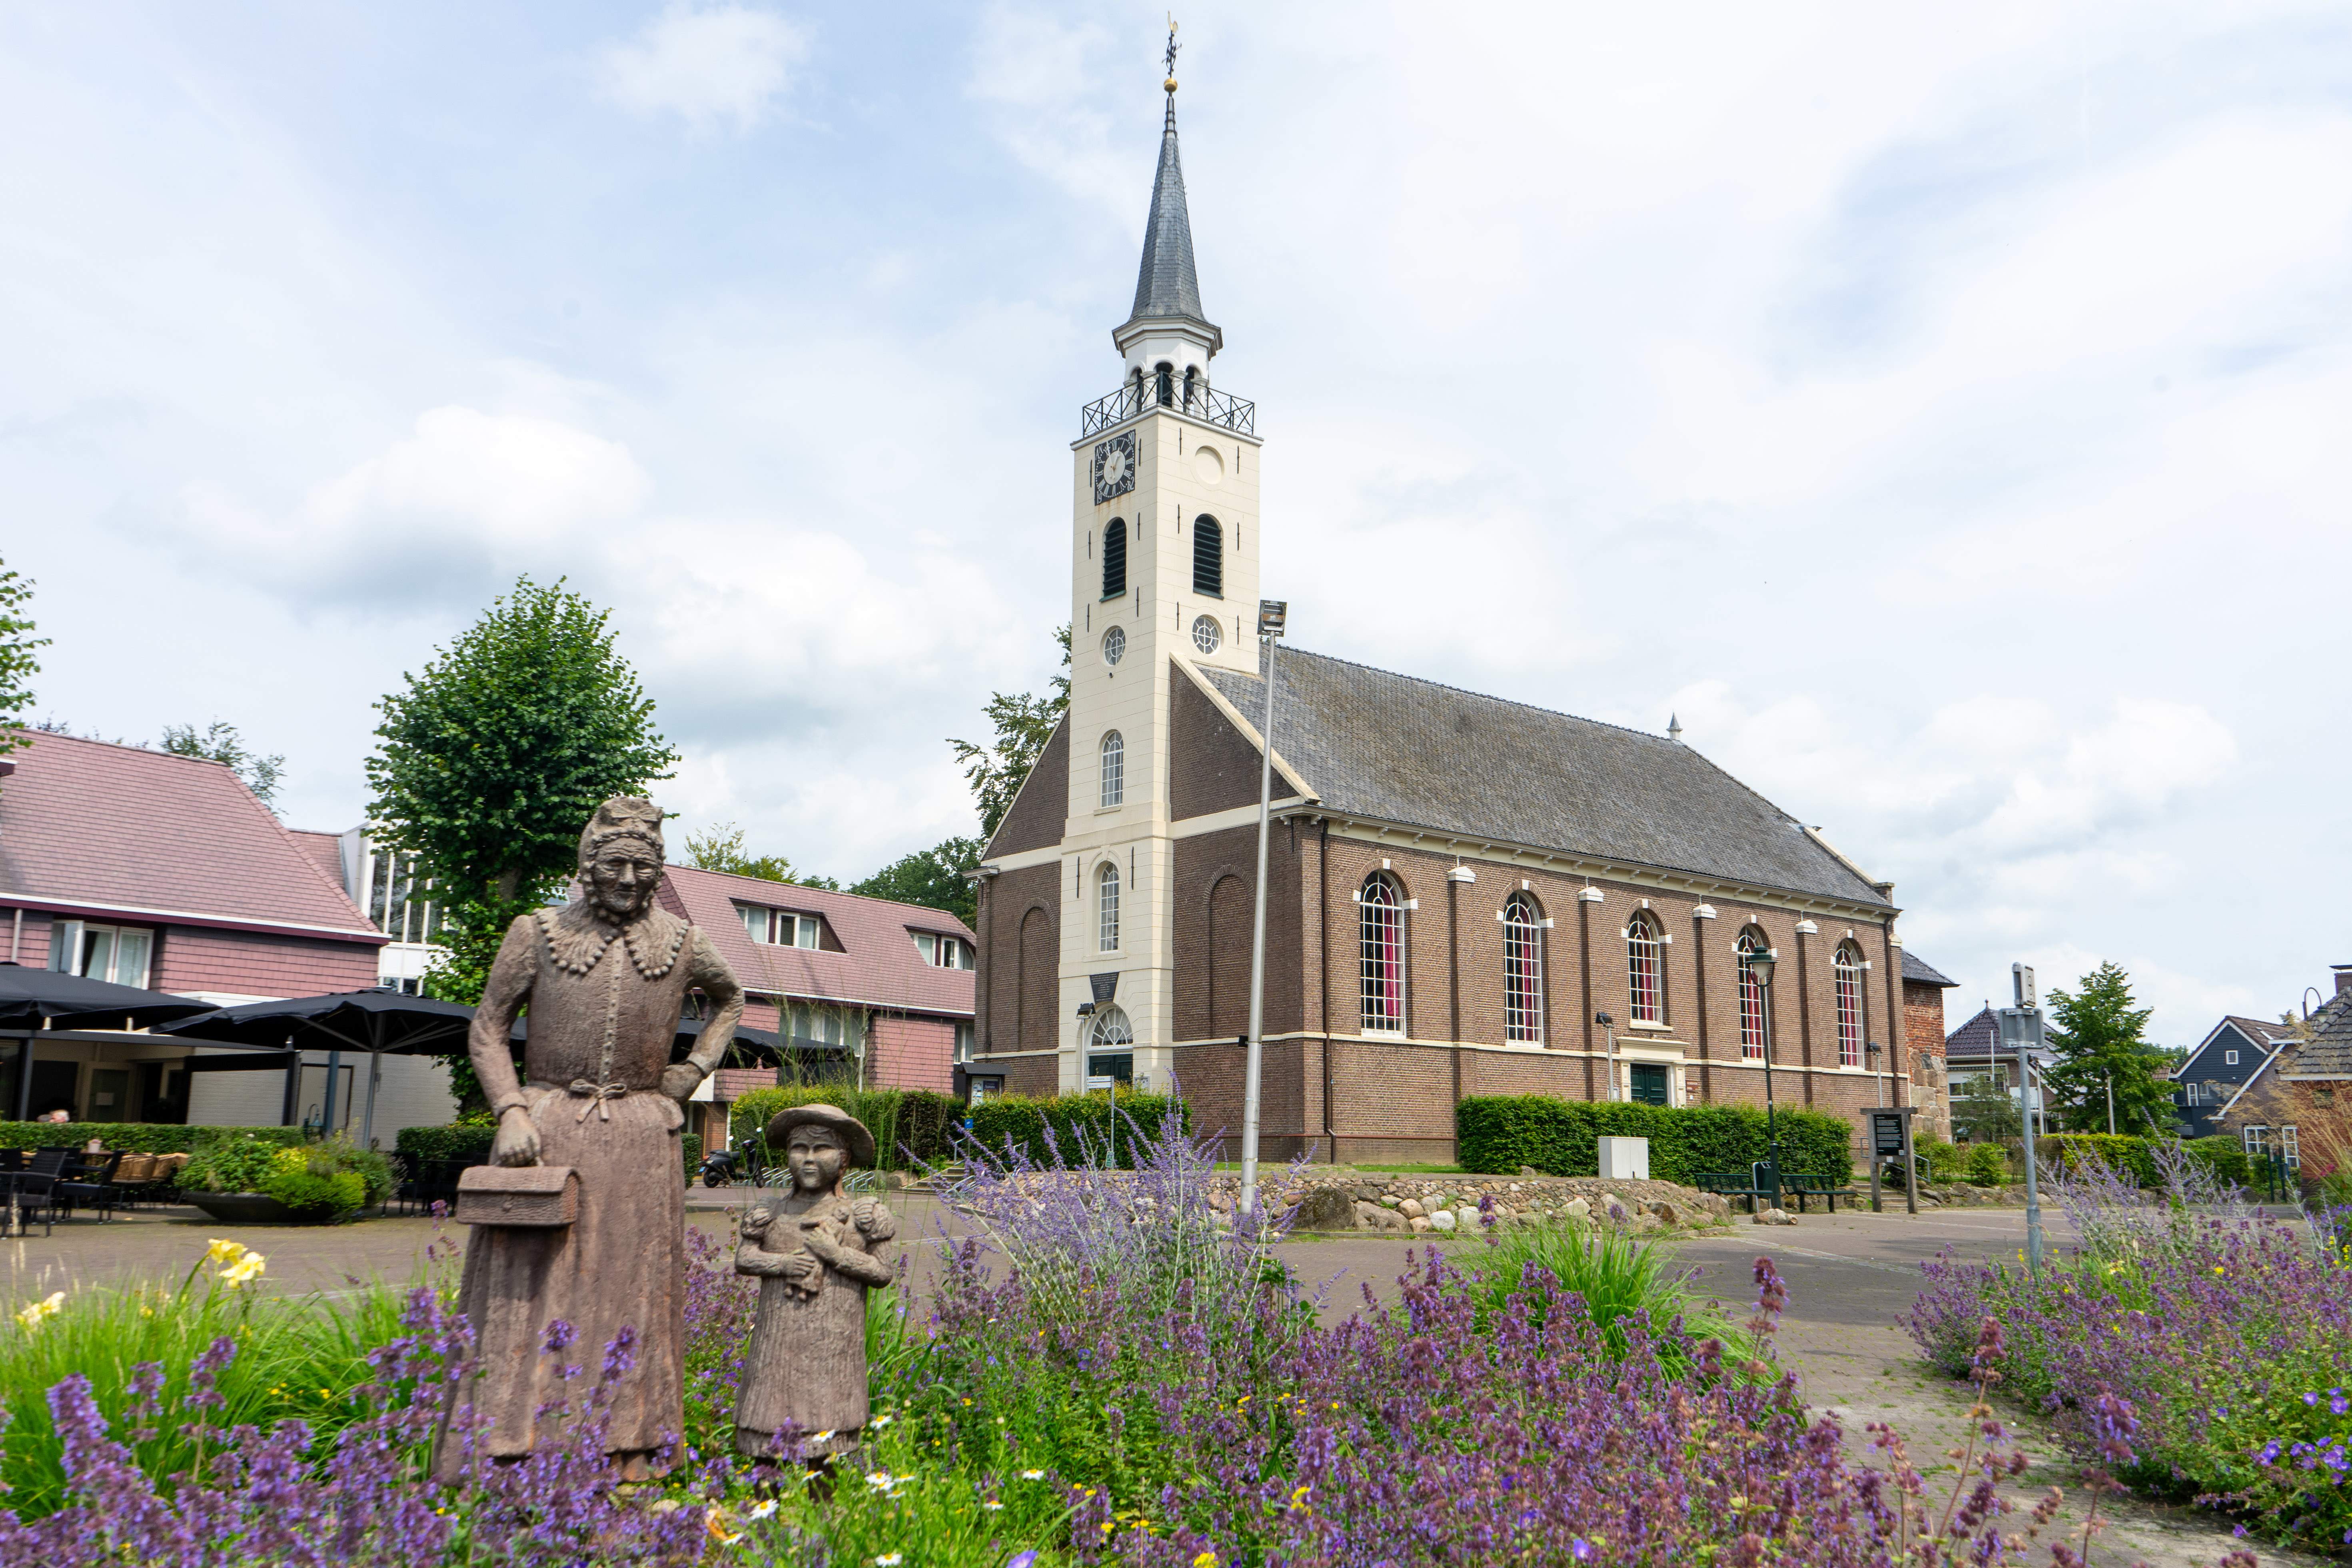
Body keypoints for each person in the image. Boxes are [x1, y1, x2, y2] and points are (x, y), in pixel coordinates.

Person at [435, 797, 744, 1481]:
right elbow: (488, 1027)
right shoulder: (536, 931)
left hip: (641, 1135)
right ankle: (504, 1449)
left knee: (634, 1290)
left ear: (659, 871)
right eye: (615, 864)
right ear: (588, 864)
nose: (629, 879)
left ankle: (627, 1451)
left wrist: (691, 1072)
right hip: (545, 1134)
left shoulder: (686, 942)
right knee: (528, 1289)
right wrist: (511, 1109)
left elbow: (732, 998)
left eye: (643, 866)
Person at [733, 1103, 896, 1463]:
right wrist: (783, 1263)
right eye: (799, 1148)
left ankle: (825, 1512)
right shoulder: (769, 1212)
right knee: (767, 1434)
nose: (808, 1159)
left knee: (827, 1447)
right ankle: (766, 1509)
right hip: (778, 1341)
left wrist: (835, 1254)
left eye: (821, 1149)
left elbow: (883, 1272)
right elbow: (744, 1259)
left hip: (833, 1345)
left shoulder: (864, 1215)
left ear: (844, 1159)